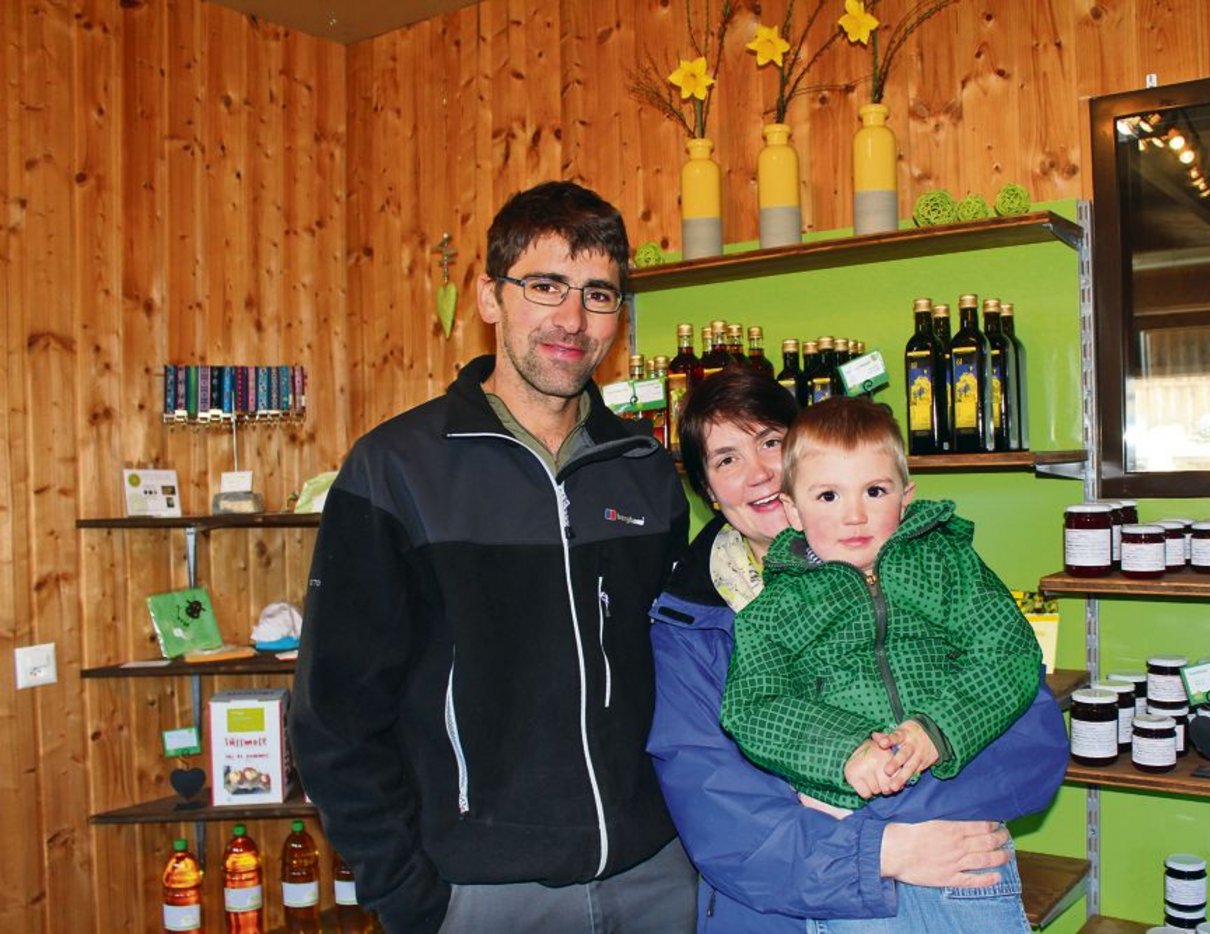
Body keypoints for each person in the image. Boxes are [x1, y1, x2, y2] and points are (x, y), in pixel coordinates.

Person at [290, 180, 696, 933]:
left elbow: (686, 667)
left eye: (599, 295)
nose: (572, 320)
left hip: (657, 877)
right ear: (489, 297)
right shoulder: (396, 469)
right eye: (545, 286)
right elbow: (334, 715)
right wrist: (414, 897)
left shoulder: (644, 467)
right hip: (480, 892)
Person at [647, 368, 1068, 931]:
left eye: (771, 442)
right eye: (726, 460)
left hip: (952, 876)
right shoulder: (688, 622)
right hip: (770, 914)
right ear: (707, 492)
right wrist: (878, 848)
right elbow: (718, 814)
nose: (761, 475)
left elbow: (1029, 740)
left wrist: (898, 785)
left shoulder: (936, 567)